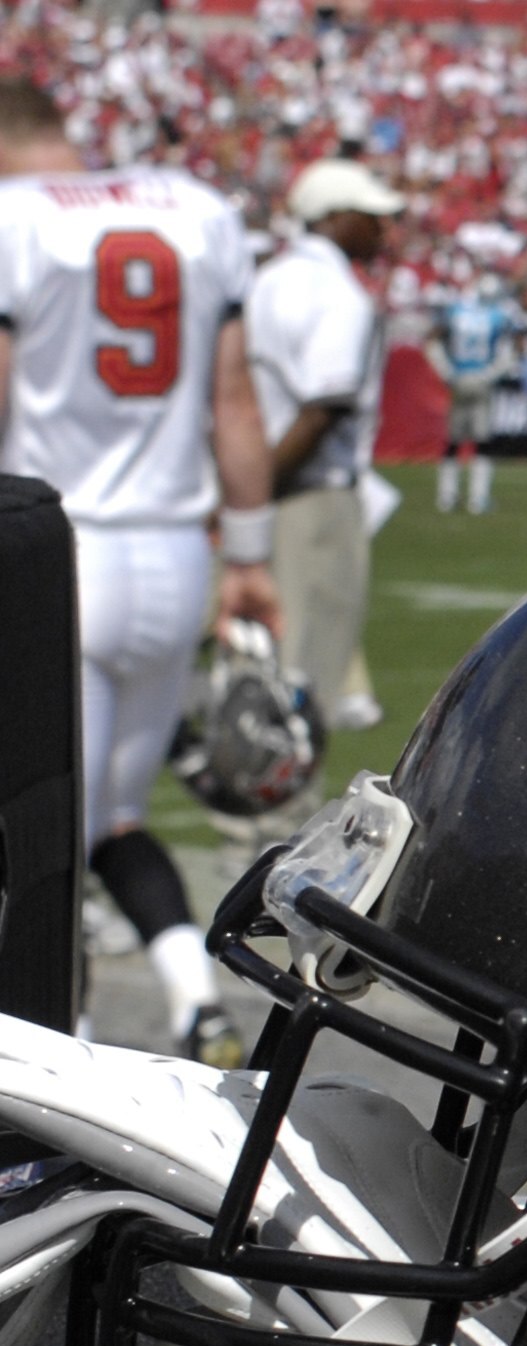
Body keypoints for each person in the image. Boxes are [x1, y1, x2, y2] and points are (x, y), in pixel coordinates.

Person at [0, 76, 279, 1065]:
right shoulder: (192, 207)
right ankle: (195, 1005)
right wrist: (249, 556)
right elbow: (236, 403)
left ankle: (58, 1060)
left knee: (35, 845)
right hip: (173, 551)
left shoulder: (14, 220)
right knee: (114, 818)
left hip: (47, 552)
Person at [248, 157, 400, 733]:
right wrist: (262, 490)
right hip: (309, 491)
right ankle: (276, 815)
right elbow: (322, 410)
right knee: (306, 679)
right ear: (333, 217)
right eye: (370, 217)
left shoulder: (268, 278)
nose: (383, 229)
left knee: (262, 672)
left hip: (268, 479)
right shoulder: (338, 295)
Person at [431, 267, 510, 516]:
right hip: (481, 378)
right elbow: (507, 353)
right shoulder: (498, 315)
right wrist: (491, 374)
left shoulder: (457, 311)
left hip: (459, 376)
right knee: (482, 440)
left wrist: (446, 371)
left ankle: (446, 496)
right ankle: (478, 498)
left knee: (453, 440)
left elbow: (433, 340)